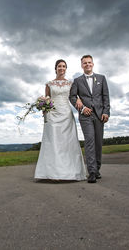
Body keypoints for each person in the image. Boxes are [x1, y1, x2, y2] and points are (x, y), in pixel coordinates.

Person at [34, 59, 86, 181]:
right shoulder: (49, 84)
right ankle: (52, 173)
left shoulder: (71, 83)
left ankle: (69, 172)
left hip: (66, 114)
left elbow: (74, 96)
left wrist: (78, 99)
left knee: (67, 143)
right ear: (55, 68)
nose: (61, 68)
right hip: (52, 115)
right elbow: (47, 98)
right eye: (59, 66)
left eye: (63, 66)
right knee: (53, 142)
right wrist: (43, 108)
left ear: (66, 69)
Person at [69, 55, 110, 183]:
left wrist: (106, 112)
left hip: (99, 115)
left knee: (98, 142)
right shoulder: (77, 81)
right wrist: (81, 107)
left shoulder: (102, 78)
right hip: (85, 115)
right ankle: (91, 171)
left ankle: (97, 169)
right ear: (81, 65)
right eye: (84, 63)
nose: (87, 65)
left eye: (89, 62)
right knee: (90, 141)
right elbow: (72, 97)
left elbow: (106, 97)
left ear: (93, 64)